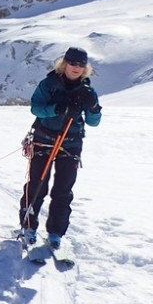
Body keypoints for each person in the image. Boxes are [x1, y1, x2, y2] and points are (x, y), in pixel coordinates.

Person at [19, 46, 102, 249]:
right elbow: (35, 107)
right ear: (64, 63)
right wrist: (57, 109)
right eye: (73, 63)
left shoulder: (88, 91)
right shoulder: (49, 84)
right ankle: (28, 227)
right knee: (37, 186)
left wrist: (93, 108)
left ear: (86, 68)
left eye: (81, 65)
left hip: (71, 144)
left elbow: (94, 122)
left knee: (63, 191)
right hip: (44, 140)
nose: (76, 68)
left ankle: (56, 232)